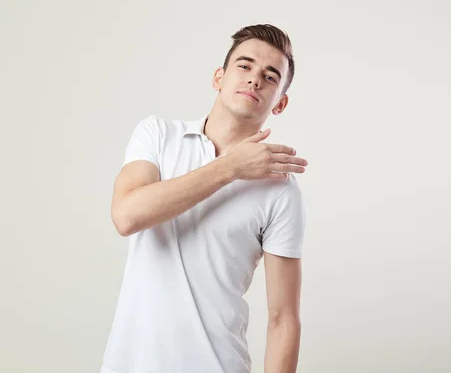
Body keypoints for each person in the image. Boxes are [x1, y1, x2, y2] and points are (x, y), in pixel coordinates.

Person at [101, 24, 309, 373]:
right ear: (219, 77)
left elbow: (283, 318)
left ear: (281, 102)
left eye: (270, 76)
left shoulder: (281, 189)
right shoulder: (157, 135)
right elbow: (127, 216)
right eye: (244, 66)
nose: (255, 79)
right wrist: (230, 167)